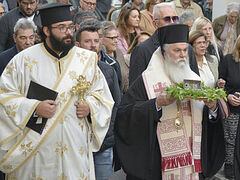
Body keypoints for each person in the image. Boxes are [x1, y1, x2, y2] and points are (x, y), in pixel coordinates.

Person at [0, 3, 114, 179]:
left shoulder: (86, 60)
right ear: (46, 30)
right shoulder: (23, 61)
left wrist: (90, 107)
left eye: (70, 27)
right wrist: (34, 107)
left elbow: (103, 97)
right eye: (62, 28)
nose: (68, 33)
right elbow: (4, 97)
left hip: (74, 151)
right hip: (37, 154)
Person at [115, 24, 225, 180]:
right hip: (158, 163)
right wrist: (157, 103)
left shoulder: (193, 80)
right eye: (177, 50)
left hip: (193, 163)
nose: (182, 55)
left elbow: (209, 120)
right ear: (164, 53)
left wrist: (213, 107)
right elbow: (125, 114)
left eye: (185, 50)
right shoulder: (146, 81)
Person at [75, 21, 121, 180]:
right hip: (77, 144)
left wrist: (109, 135)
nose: (93, 45)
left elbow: (116, 105)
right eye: (87, 41)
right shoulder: (70, 71)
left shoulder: (108, 70)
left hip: (103, 144)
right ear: (77, 44)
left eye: (96, 41)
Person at [129, 2, 198, 85]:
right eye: (167, 19)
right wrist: (159, 98)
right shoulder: (142, 50)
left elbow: (196, 84)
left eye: (175, 18)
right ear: (155, 24)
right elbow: (135, 92)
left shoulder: (188, 49)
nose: (172, 22)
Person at [219, 35, 240, 179]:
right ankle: (230, 168)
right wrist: (227, 96)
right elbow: (220, 84)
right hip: (232, 110)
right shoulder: (228, 60)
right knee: (230, 141)